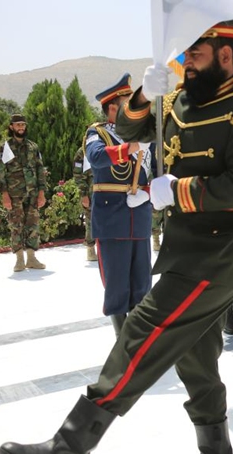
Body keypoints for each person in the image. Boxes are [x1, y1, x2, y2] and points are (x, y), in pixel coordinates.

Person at [0, 20, 233, 454]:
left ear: (226, 56)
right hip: (184, 250)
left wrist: (181, 191)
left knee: (143, 329)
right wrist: (146, 96)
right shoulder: (179, 102)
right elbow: (125, 127)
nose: (187, 59)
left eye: (197, 52)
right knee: (196, 360)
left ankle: (71, 447)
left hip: (221, 252)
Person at [84, 73, 154, 336]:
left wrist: (149, 192)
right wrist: (130, 147)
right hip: (112, 218)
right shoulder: (98, 132)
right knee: (117, 285)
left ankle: (138, 338)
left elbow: (154, 169)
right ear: (113, 107)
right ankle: (123, 341)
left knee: (141, 283)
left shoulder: (143, 134)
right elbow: (97, 157)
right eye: (128, 102)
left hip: (140, 218)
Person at [0, 114, 47, 272]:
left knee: (33, 225)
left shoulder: (33, 146)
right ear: (11, 127)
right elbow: (1, 173)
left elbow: (40, 169)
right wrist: (4, 194)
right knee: (16, 226)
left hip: (32, 193)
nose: (21, 128)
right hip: (14, 194)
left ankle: (31, 258)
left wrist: (41, 192)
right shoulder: (5, 148)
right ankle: (19, 259)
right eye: (17, 125)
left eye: (23, 125)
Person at [72, 146, 97, 261]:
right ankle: (91, 249)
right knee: (90, 219)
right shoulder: (83, 151)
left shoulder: (108, 145)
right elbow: (77, 175)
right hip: (91, 191)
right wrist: (83, 194)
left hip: (107, 190)